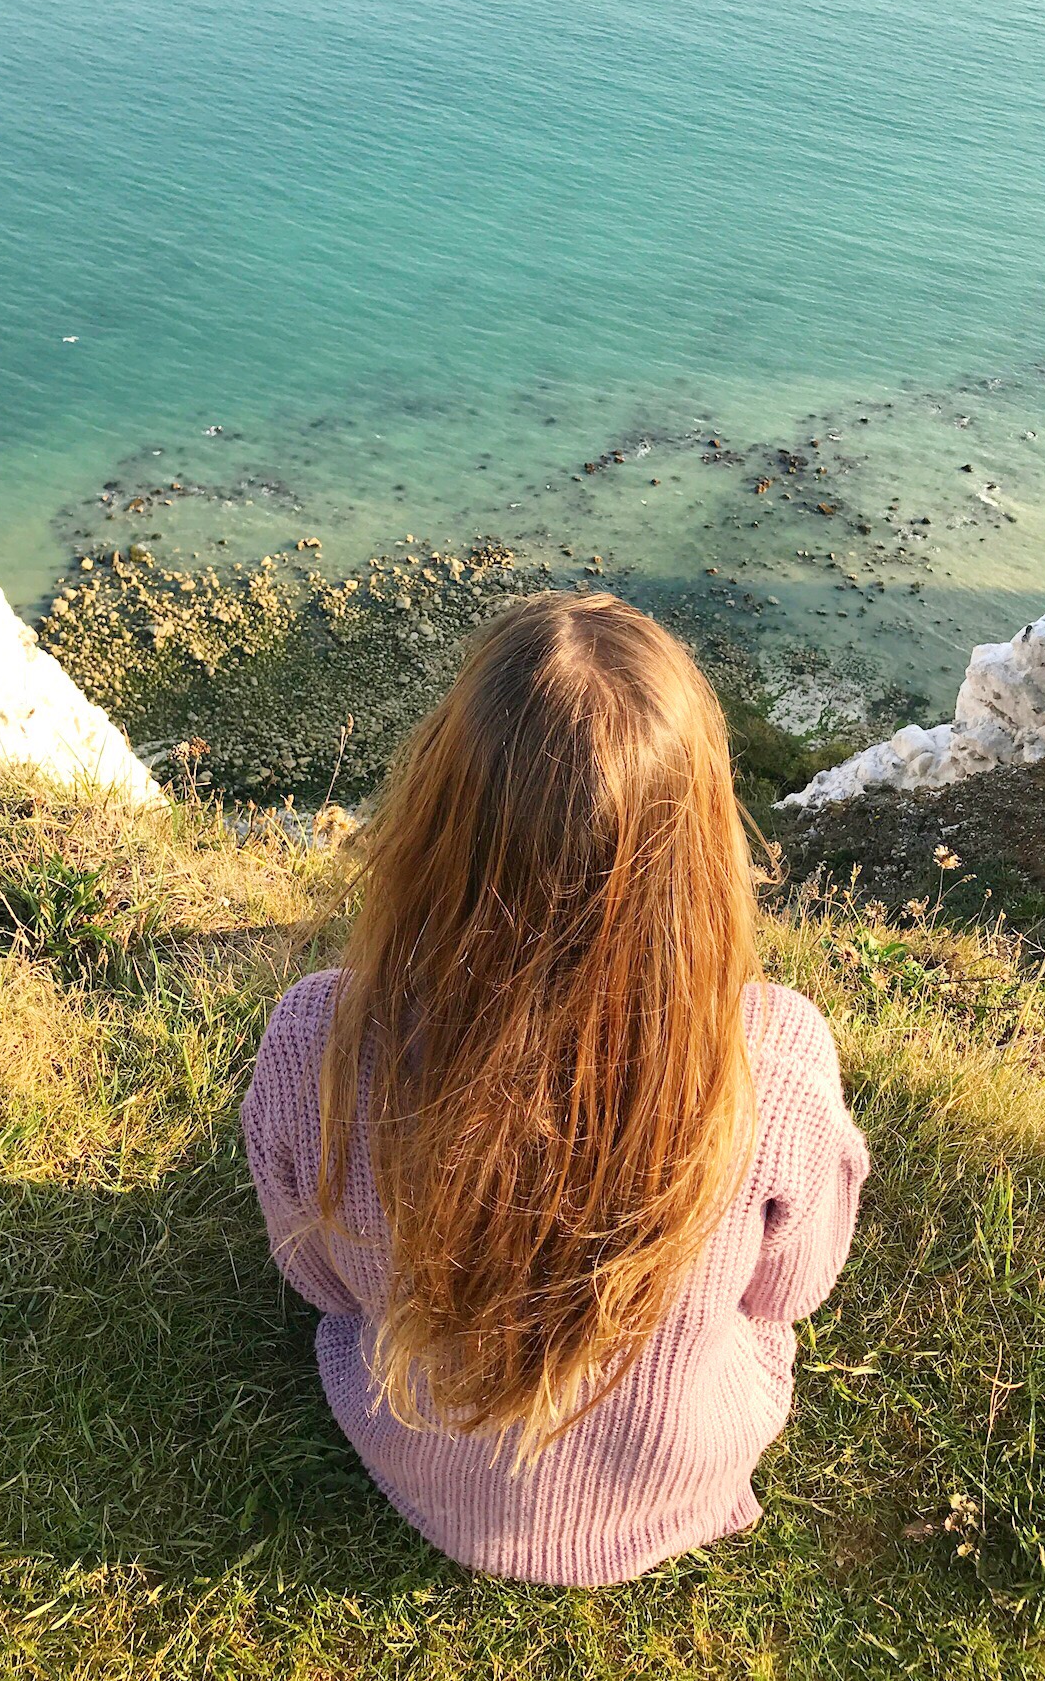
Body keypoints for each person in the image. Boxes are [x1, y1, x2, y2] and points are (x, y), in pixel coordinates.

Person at [241, 590, 868, 1586]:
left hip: (418, 1452)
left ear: (436, 810)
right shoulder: (772, 1057)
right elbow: (792, 1289)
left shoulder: (319, 1035)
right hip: (673, 1472)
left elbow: (319, 1280)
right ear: (702, 834)